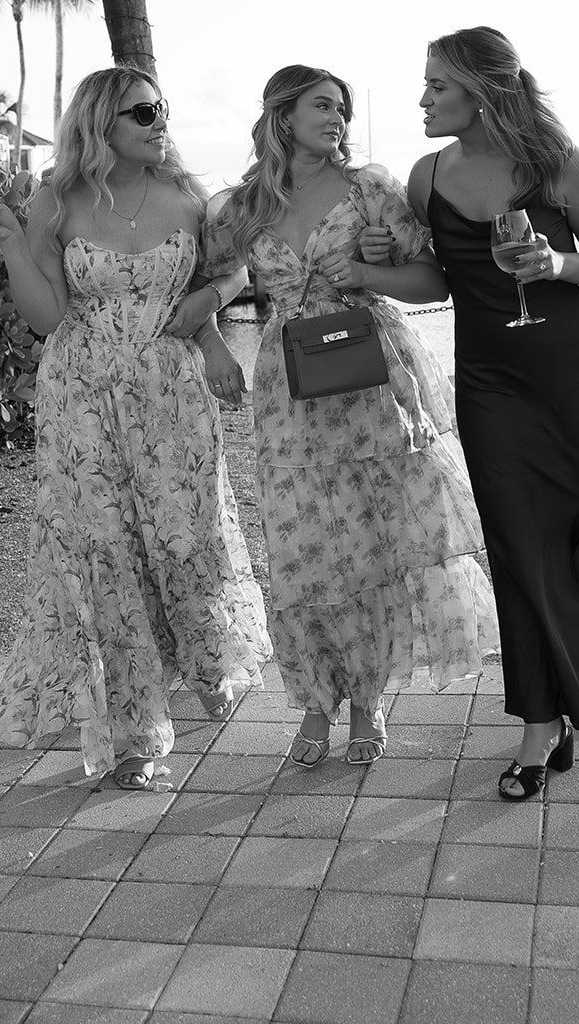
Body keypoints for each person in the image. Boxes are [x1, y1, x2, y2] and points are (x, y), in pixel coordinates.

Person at [363, 26, 579, 800]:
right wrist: (377, 265)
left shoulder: (553, 161)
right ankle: (541, 724)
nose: (422, 99)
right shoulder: (426, 176)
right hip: (490, 382)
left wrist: (556, 263)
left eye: (436, 85)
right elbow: (437, 281)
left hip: (573, 371)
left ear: (482, 93)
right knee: (518, 549)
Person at [0, 66, 271, 789]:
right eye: (142, 112)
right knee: (105, 556)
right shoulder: (56, 201)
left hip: (172, 393)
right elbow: (47, 318)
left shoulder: (189, 196)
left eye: (160, 107)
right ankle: (137, 730)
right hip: (82, 398)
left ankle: (207, 660)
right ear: (100, 124)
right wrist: (12, 244)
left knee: (187, 534)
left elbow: (234, 273)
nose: (158, 120)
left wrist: (207, 313)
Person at [199, 64, 499, 767]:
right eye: (322, 105)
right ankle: (314, 702)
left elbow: (433, 281)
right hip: (289, 387)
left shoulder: (370, 190)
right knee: (303, 548)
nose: (337, 118)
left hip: (371, 375)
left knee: (371, 543)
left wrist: (368, 273)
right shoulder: (241, 206)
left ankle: (366, 700)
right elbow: (203, 277)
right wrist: (212, 345)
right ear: (283, 115)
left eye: (342, 108)